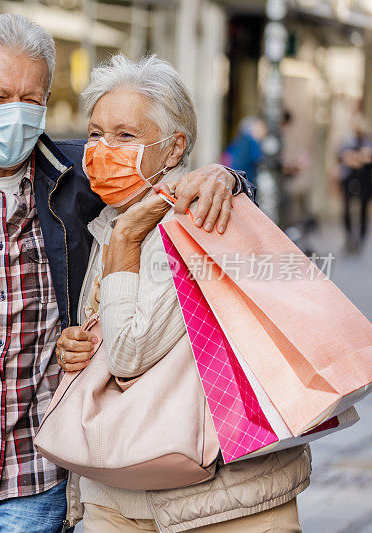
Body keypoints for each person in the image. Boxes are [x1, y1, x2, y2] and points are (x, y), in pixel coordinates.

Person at [0, 14, 251, 532]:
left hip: (34, 480)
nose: (13, 114)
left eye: (29, 99)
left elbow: (167, 177)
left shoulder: (80, 178)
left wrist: (229, 177)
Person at [54, 55, 310, 532]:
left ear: (173, 150)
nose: (101, 149)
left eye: (125, 135)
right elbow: (116, 335)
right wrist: (80, 344)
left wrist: (130, 239)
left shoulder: (192, 222)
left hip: (225, 503)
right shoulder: (109, 218)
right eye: (94, 134)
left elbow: (130, 353)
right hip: (120, 488)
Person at [337, 114, 372, 254]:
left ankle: (361, 239)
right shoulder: (347, 141)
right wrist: (359, 157)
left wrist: (355, 157)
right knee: (346, 209)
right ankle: (349, 237)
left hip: (365, 180)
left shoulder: (368, 142)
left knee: (363, 210)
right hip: (349, 179)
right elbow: (345, 158)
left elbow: (366, 158)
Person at [221, 116, 266, 187]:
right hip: (244, 178)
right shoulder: (251, 141)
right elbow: (259, 158)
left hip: (234, 175)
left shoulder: (240, 139)